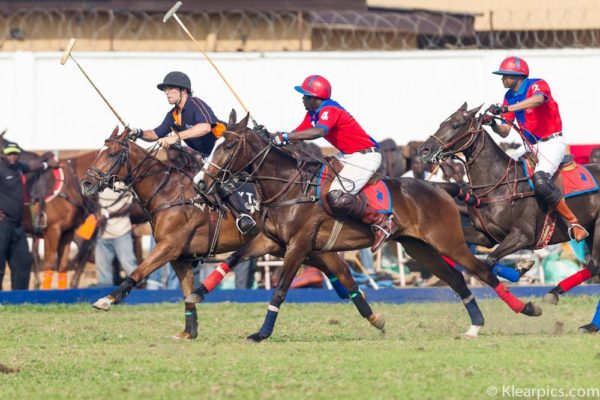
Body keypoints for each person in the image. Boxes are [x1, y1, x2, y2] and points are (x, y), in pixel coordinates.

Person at [271, 75, 396, 252]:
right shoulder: (313, 113)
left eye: (305, 95)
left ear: (314, 98)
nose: (302, 99)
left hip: (365, 156)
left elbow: (319, 132)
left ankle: (382, 222)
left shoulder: (329, 109)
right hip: (347, 155)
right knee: (313, 183)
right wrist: (270, 137)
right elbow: (297, 135)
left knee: (336, 196)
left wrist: (285, 137)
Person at [127, 71, 256, 235]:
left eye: (170, 89)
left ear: (183, 91)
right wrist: (137, 132)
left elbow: (205, 127)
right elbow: (155, 133)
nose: (166, 93)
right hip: (207, 157)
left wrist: (176, 137)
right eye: (165, 90)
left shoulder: (196, 104)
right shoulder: (173, 115)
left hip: (225, 150)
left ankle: (243, 216)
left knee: (213, 178)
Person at [484, 56, 588, 242]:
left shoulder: (536, 85)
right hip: (529, 146)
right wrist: (493, 123)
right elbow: (505, 132)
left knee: (540, 181)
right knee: (505, 172)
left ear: (517, 76)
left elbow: (538, 100)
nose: (502, 79)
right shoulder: (509, 96)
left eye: (505, 76)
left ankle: (574, 223)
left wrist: (507, 108)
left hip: (551, 143)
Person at [0, 143, 58, 290]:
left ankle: (18, 301)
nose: (12, 156)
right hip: (2, 225)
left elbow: (32, 167)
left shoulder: (19, 167)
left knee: (23, 263)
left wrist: (47, 164)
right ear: (3, 155)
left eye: (15, 154)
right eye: (9, 154)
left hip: (18, 226)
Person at [94, 186, 137, 287]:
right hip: (103, 233)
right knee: (102, 268)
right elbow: (97, 202)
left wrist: (108, 215)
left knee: (128, 264)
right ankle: (104, 293)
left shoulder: (123, 183)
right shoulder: (101, 183)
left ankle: (140, 291)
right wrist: (97, 214)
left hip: (121, 231)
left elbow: (128, 206)